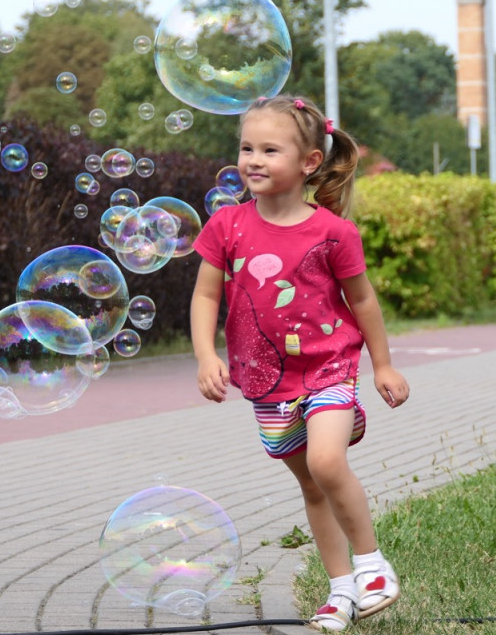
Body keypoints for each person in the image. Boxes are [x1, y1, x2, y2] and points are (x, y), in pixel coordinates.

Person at [190, 94, 410, 632]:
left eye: (270, 149)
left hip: (329, 368)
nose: (254, 160)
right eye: (247, 148)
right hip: (266, 381)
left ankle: (372, 565)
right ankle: (341, 592)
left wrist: (381, 365)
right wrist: (204, 355)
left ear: (309, 162)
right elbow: (205, 297)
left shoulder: (334, 232)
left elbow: (363, 301)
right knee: (311, 486)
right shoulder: (227, 226)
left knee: (326, 463)